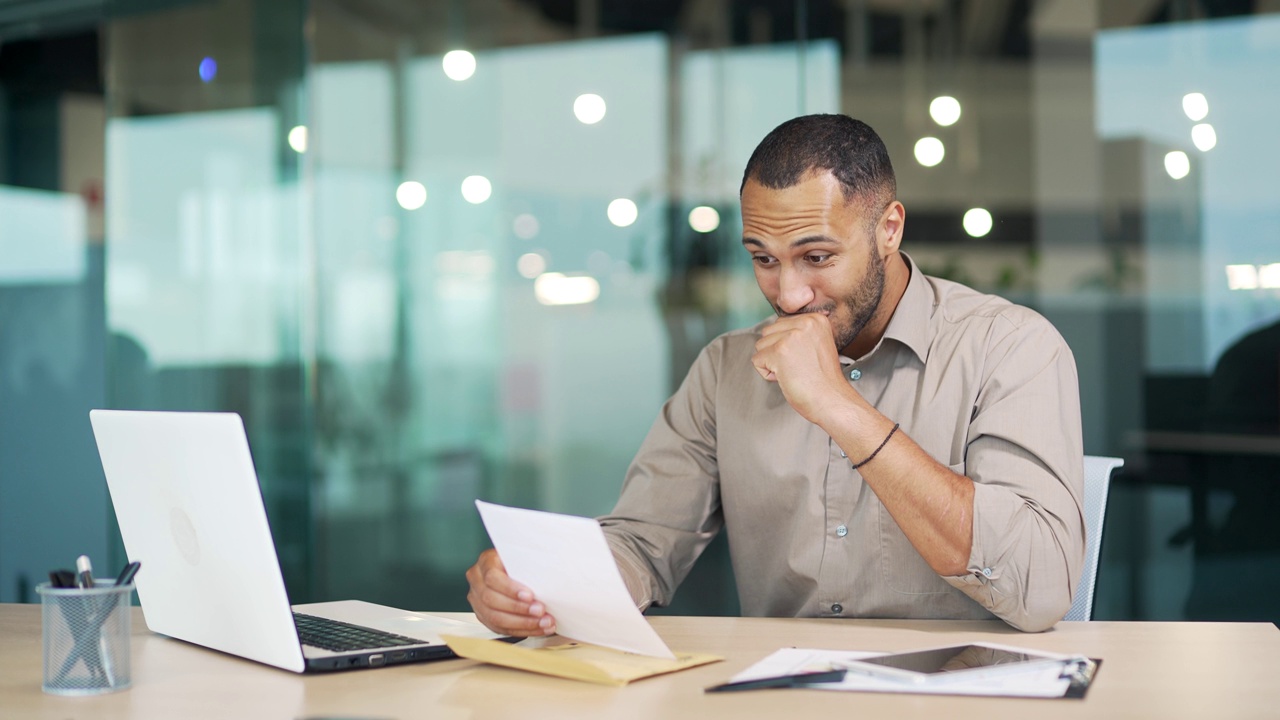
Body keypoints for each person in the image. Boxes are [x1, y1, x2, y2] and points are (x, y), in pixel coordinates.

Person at [466, 114, 1085, 634]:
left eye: (816, 257)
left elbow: (1042, 587)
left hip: (972, 699)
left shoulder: (1012, 349)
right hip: (780, 693)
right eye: (763, 259)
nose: (789, 295)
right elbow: (642, 546)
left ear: (888, 229)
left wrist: (839, 406)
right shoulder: (725, 370)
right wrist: (538, 584)